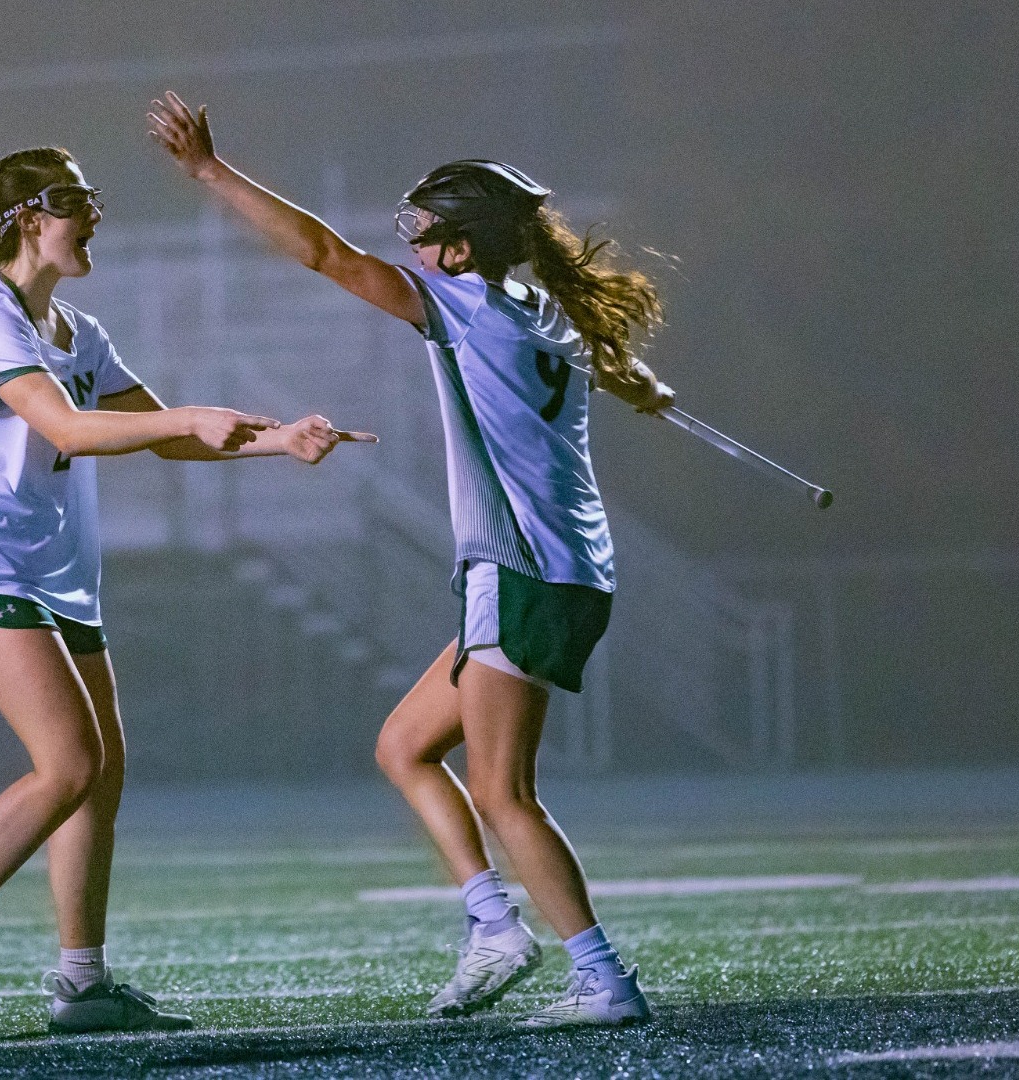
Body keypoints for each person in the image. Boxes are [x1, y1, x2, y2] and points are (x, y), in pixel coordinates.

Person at [149, 93, 674, 1028]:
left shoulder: (464, 307)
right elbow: (604, 370)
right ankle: (493, 928)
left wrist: (208, 171)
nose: (415, 252)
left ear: (463, 249)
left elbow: (324, 254)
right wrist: (635, 381)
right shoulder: (543, 313)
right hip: (563, 568)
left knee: (504, 793)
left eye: (427, 235)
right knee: (404, 746)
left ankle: (603, 980)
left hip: (522, 569)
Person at [0, 146, 373, 1035]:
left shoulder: (79, 328)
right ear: (26, 218)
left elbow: (162, 434)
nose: (94, 215)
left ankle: (82, 984)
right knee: (68, 764)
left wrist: (281, 440)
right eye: (74, 199)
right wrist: (188, 415)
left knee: (100, 777)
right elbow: (68, 428)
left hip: (60, 572)